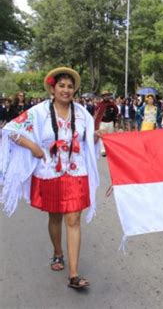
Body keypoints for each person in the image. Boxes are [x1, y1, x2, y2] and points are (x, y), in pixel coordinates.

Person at [0, 67, 100, 289]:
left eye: (70, 86)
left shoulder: (83, 114)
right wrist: (33, 147)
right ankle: (57, 253)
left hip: (76, 173)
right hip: (49, 173)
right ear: (53, 89)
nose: (66, 90)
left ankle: (74, 274)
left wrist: (95, 138)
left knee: (73, 220)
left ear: (74, 90)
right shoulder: (38, 112)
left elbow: (87, 144)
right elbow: (10, 130)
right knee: (55, 218)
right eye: (62, 86)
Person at [94, 90, 118, 156]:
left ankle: (110, 149)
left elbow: (116, 113)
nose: (106, 97)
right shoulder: (99, 105)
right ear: (103, 97)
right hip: (102, 123)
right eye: (105, 96)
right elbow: (96, 114)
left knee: (110, 137)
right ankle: (103, 150)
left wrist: (116, 121)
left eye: (107, 95)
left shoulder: (112, 105)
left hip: (110, 123)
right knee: (102, 136)